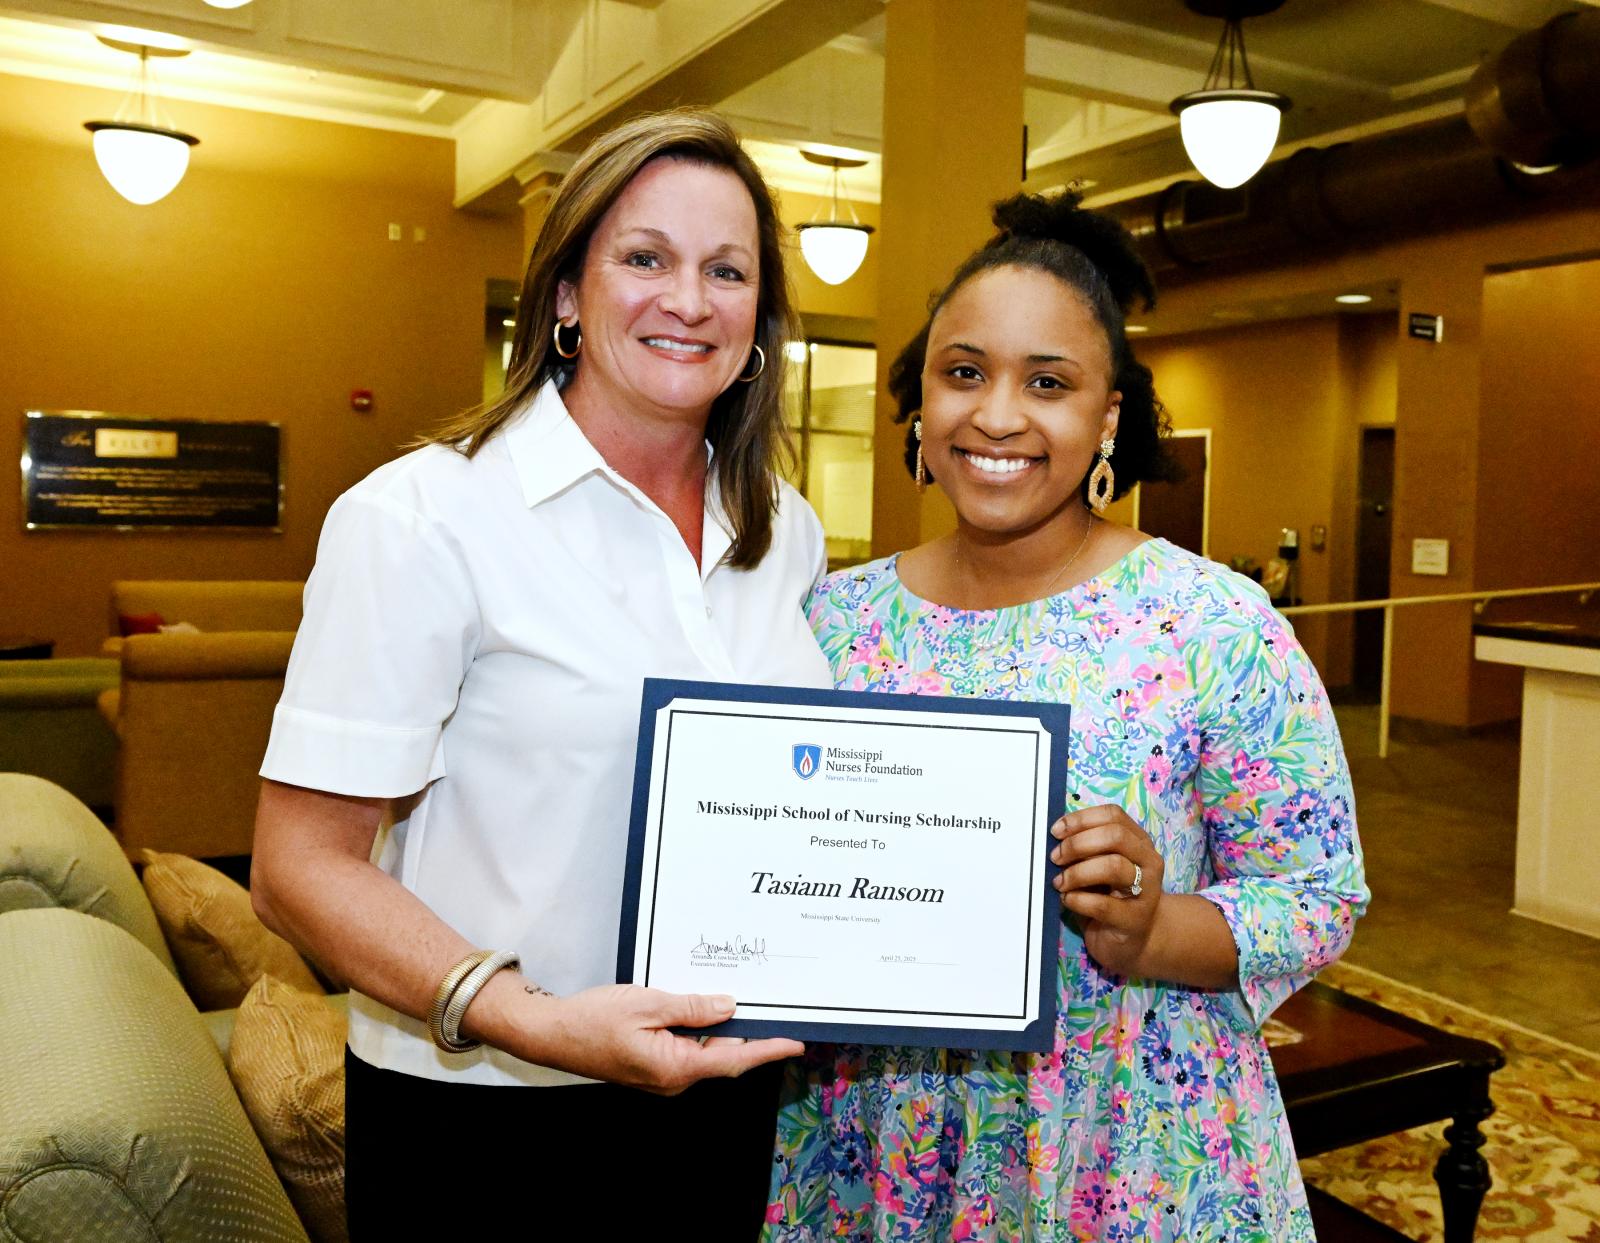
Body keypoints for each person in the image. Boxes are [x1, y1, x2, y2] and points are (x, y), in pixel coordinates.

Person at [251, 108, 830, 1236]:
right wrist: (527, 1016)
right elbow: (296, 869)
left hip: (722, 1094)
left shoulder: (781, 530)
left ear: (759, 317)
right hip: (487, 1114)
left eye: (727, 269)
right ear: (566, 293)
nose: (689, 299)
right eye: (644, 258)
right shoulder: (424, 517)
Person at [765, 192, 1369, 1241]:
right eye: (964, 373)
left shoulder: (1210, 623)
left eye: (1047, 382)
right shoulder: (829, 616)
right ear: (919, 407)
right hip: (875, 1136)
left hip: (1125, 1144)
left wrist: (1151, 926)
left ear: (1108, 418)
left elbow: (1315, 895)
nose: (997, 415)